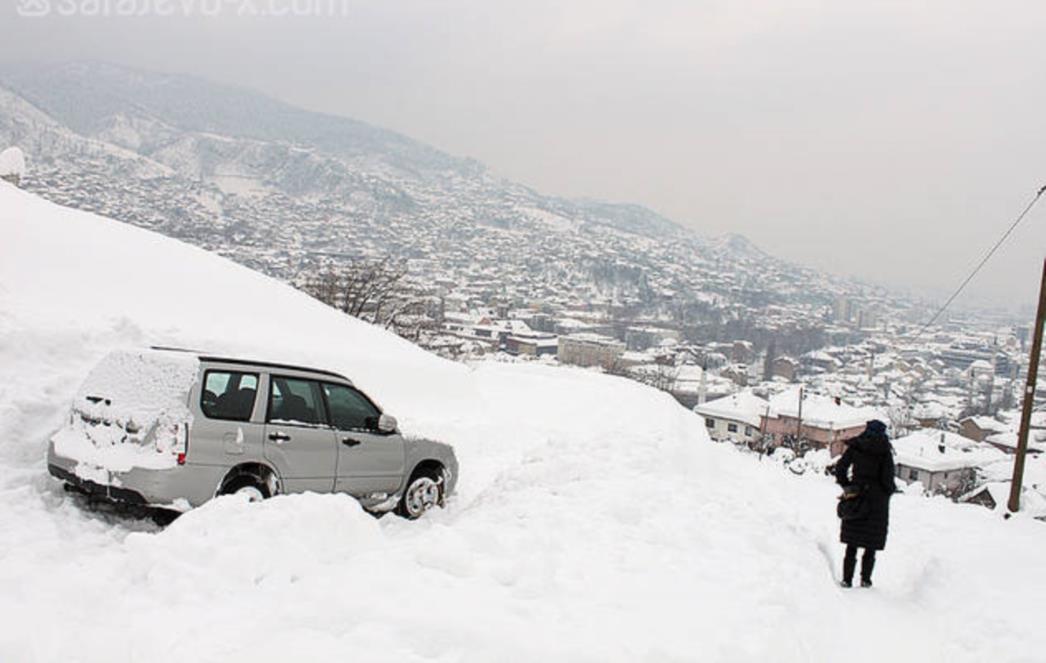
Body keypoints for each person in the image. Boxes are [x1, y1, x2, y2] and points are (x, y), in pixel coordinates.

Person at [833, 419, 896, 588]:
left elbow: (840, 468)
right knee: (871, 544)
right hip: (877, 502)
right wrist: (886, 492)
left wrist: (848, 486)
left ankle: (847, 579)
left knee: (852, 543)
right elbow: (888, 479)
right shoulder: (884, 451)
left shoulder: (857, 446)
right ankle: (866, 580)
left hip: (856, 496)